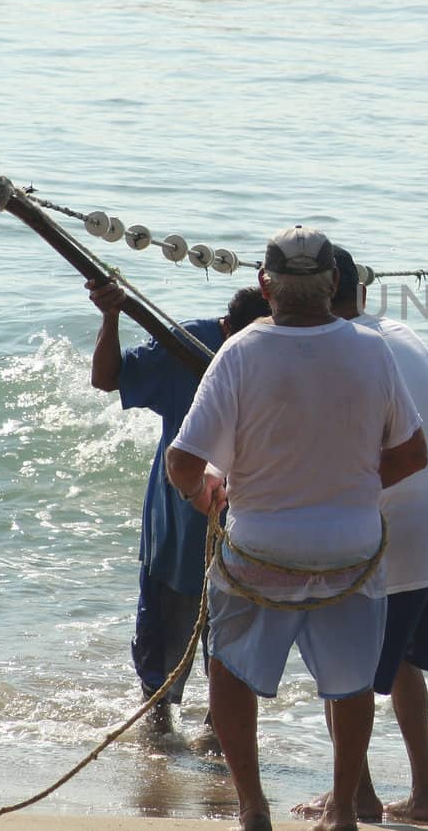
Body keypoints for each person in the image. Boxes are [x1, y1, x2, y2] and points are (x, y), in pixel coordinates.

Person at [166, 226, 428, 831]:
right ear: (335, 282)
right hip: (351, 548)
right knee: (351, 680)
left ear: (265, 285)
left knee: (229, 670)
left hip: (262, 545)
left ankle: (252, 806)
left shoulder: (240, 352)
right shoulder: (372, 349)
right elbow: (414, 454)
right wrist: (352, 488)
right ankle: (342, 809)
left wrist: (206, 493)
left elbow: (182, 462)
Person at [293, 246, 428, 826]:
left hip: (399, 525)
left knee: (338, 661)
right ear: (361, 293)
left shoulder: (342, 350)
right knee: (400, 664)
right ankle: (427, 793)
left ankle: (354, 798)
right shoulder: (398, 330)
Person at [87, 278, 270, 733]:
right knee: (158, 680)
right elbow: (106, 378)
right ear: (230, 328)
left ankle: (220, 752)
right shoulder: (187, 344)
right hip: (178, 529)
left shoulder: (286, 352)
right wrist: (110, 317)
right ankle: (159, 757)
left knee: (234, 665)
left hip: (251, 535)